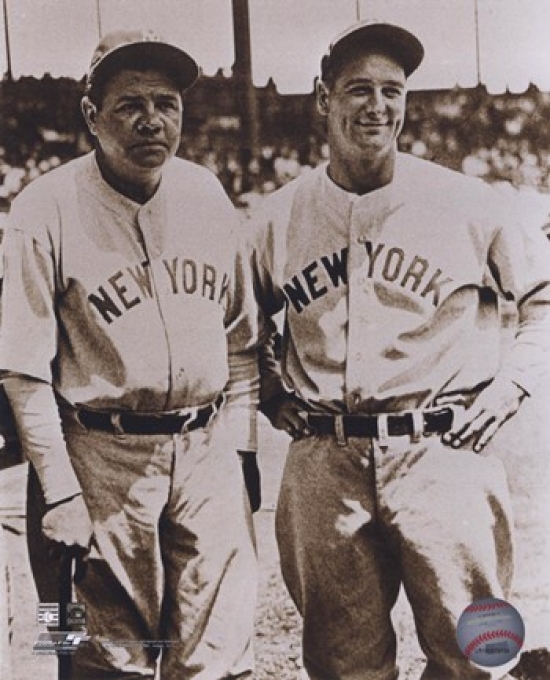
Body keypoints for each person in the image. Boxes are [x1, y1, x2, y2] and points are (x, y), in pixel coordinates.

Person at [251, 20, 550, 680]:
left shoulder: (470, 203)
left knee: (478, 654)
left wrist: (512, 385)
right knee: (342, 663)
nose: (377, 106)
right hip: (325, 463)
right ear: (322, 97)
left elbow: (542, 300)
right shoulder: (278, 215)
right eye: (359, 89)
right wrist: (270, 390)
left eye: (393, 90)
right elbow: (236, 327)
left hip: (443, 451)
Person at [0, 29, 262, 680]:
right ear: (92, 116)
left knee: (219, 656)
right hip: (97, 459)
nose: (153, 120)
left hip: (204, 457)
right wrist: (58, 493)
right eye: (130, 104)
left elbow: (242, 344)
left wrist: (244, 447)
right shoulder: (42, 209)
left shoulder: (207, 194)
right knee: (88, 656)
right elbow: (22, 370)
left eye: (167, 103)